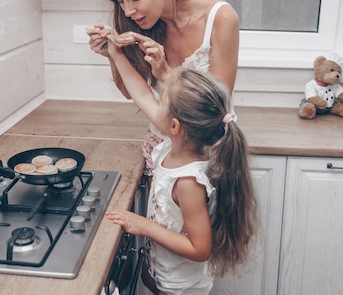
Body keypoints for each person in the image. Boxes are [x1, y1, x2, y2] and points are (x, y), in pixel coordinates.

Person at [104, 39, 258, 295]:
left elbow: (200, 249)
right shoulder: (171, 148)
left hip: (181, 288)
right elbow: (141, 93)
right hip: (165, 275)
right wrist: (115, 53)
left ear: (175, 127)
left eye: (162, 102)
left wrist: (143, 226)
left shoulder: (188, 182)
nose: (156, 105)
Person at [87, 0, 240, 178]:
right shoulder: (135, 22)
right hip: (158, 146)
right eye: (120, 1)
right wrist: (112, 54)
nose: (127, 11)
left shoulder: (221, 18)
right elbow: (130, 91)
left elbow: (214, 107)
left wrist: (167, 73)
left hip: (204, 153)